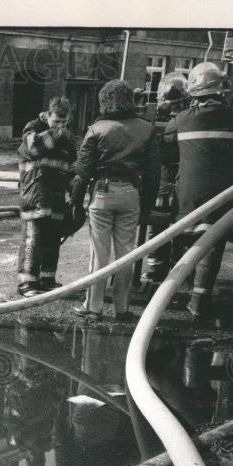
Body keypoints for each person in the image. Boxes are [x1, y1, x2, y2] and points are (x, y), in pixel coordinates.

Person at [161, 61, 233, 317]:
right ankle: (200, 299)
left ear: (194, 93)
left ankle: (183, 286)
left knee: (185, 235)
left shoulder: (182, 120)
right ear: (221, 91)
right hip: (227, 195)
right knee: (214, 240)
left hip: (189, 195)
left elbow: (166, 145)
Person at [69, 79, 160, 319]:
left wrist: (76, 203)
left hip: (102, 193)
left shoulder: (96, 129)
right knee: (126, 253)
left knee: (99, 253)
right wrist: (147, 206)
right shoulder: (147, 129)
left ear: (104, 101)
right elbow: (153, 174)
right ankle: (122, 308)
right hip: (131, 194)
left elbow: (82, 173)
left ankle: (93, 307)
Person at [15, 96, 78, 297]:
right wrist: (60, 133)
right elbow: (34, 149)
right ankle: (27, 283)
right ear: (47, 115)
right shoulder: (32, 128)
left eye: (63, 122)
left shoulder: (67, 138)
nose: (60, 126)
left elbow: (71, 168)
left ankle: (46, 279)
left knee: (52, 239)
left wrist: (74, 194)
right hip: (35, 193)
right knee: (33, 239)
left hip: (56, 195)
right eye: (56, 121)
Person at [139, 72, 191, 288]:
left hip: (165, 186)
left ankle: (155, 269)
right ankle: (178, 268)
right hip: (184, 186)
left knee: (158, 228)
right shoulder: (190, 119)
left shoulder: (169, 124)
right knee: (181, 229)